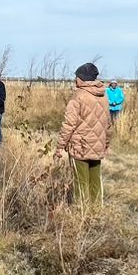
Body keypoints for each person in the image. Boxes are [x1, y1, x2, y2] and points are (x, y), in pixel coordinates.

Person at [55, 62, 111, 207]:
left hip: (80, 146)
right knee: (95, 181)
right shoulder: (104, 97)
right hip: (97, 145)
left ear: (82, 79)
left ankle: (81, 212)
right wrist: (106, 144)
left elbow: (69, 125)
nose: (75, 79)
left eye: (77, 77)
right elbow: (107, 124)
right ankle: (96, 210)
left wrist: (60, 146)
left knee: (81, 181)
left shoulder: (78, 97)